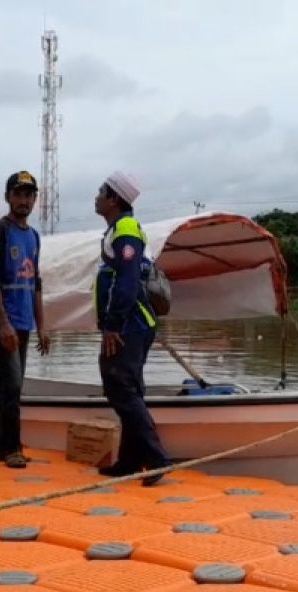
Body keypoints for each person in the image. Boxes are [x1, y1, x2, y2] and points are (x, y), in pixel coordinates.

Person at [92, 170, 171, 487]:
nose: (96, 197)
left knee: (120, 388)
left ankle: (156, 459)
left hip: (129, 324)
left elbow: (125, 281)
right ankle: (129, 460)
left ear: (113, 198)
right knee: (128, 389)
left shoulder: (125, 230)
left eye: (101, 192)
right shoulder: (119, 229)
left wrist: (112, 325)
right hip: (131, 323)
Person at [0, 171, 51, 468]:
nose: (24, 200)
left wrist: (42, 325)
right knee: (13, 383)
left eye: (29, 195)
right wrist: (4, 323)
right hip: (2, 323)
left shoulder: (33, 236)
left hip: (24, 322)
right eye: (18, 194)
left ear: (35, 199)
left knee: (9, 384)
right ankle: (12, 447)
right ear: (8, 197)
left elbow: (35, 282)